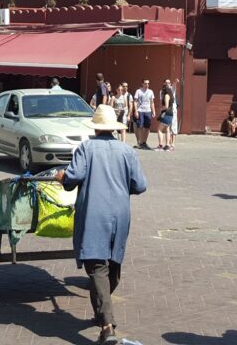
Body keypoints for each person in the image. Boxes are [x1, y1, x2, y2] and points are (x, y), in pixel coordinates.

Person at [56, 104, 147, 344]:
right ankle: (102, 311)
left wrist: (62, 177)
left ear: (95, 129)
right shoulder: (127, 151)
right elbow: (140, 185)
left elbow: (73, 177)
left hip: (94, 214)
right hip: (119, 215)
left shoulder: (85, 148)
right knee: (111, 268)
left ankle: (107, 327)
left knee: (98, 269)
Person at [132, 79, 155, 149]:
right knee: (140, 127)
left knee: (147, 127)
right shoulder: (138, 91)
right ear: (142, 84)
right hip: (140, 110)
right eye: (145, 83)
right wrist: (135, 111)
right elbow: (135, 101)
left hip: (148, 110)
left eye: (148, 83)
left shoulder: (150, 91)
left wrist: (153, 111)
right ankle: (140, 142)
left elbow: (152, 102)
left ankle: (144, 142)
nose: (147, 85)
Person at [156, 79, 176, 151]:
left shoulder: (166, 96)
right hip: (170, 113)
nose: (162, 90)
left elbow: (166, 106)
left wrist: (161, 109)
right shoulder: (170, 95)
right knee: (167, 130)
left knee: (159, 130)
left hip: (166, 113)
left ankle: (160, 145)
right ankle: (167, 146)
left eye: (164, 89)